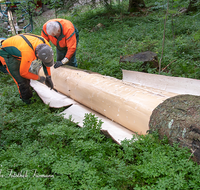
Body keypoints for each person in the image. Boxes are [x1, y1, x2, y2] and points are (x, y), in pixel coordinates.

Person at [0, 33, 54, 104]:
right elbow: (23, 73)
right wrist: (39, 78)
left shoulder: (45, 45)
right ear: (37, 55)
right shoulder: (28, 53)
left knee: (26, 68)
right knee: (20, 78)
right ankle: (27, 100)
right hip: (5, 51)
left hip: (19, 45)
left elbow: (45, 63)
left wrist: (48, 76)